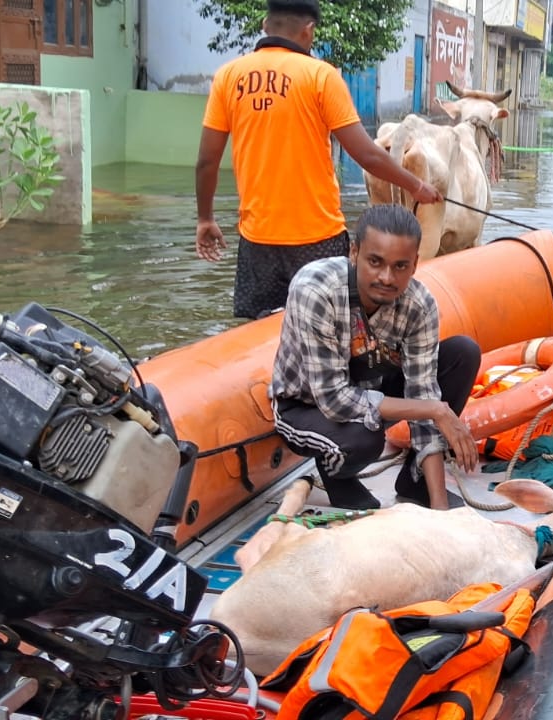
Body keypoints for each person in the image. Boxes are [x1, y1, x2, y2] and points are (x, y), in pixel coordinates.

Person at [195, 0, 443, 321]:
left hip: (257, 241)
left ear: (265, 25)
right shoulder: (320, 76)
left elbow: (206, 161)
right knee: (332, 328)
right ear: (308, 31)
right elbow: (366, 154)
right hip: (317, 238)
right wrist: (417, 186)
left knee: (260, 337)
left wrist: (205, 219)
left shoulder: (228, 77)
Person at [271, 204, 480, 511]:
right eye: (375, 262)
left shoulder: (419, 306)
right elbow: (333, 398)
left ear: (414, 264)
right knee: (364, 438)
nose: (386, 277)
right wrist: (436, 410)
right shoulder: (316, 290)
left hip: (369, 392)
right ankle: (337, 477)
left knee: (463, 353)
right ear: (354, 253)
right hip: (306, 406)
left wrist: (439, 510)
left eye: (400, 266)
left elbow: (423, 392)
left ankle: (416, 481)